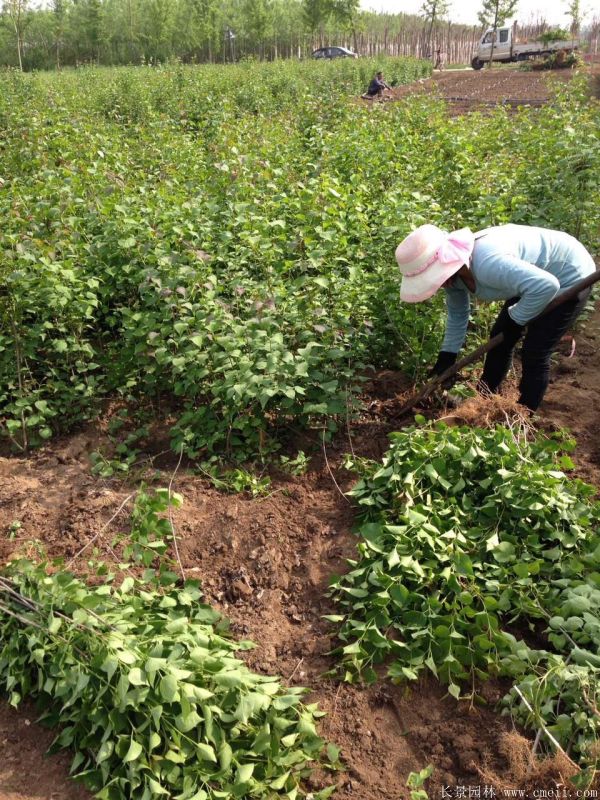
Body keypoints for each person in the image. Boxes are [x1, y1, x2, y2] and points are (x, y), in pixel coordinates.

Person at [394, 224, 596, 410]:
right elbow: (458, 315)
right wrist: (447, 356)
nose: (438, 284)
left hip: (569, 275)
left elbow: (547, 285)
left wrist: (516, 320)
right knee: (500, 336)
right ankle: (485, 399)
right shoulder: (452, 278)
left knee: (535, 350)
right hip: (531, 278)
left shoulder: (487, 263)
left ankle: (523, 414)